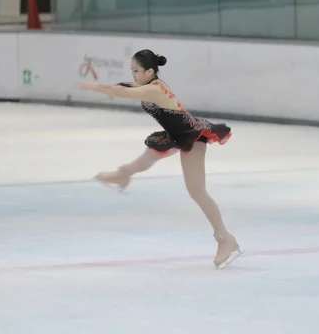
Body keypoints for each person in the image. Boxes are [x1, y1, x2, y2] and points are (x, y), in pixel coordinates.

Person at [78, 49, 242, 269]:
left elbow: (128, 92)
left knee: (196, 191)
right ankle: (123, 175)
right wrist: (113, 88)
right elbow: (128, 87)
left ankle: (225, 237)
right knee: (146, 160)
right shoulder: (148, 84)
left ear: (150, 71)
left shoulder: (155, 90)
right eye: (132, 71)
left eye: (136, 71)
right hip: (175, 135)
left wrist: (102, 88)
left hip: (191, 137)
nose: (134, 75)